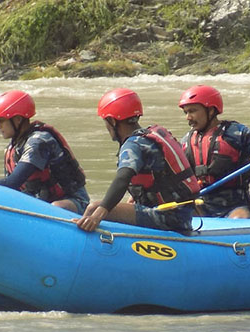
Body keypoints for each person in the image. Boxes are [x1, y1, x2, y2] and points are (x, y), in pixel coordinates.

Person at [75, 88, 201, 234]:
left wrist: (98, 215)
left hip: (167, 217)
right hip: (182, 214)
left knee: (93, 209)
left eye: (106, 121)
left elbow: (122, 178)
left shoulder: (133, 145)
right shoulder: (152, 135)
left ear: (112, 120)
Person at [177, 84, 250, 218]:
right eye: (186, 112)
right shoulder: (186, 141)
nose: (188, 117)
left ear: (210, 110)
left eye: (192, 111)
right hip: (201, 205)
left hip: (234, 206)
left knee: (240, 218)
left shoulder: (236, 133)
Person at [0, 90, 89, 213]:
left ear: (18, 119)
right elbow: (11, 190)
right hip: (40, 201)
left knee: (56, 207)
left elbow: (12, 182)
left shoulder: (38, 142)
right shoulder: (14, 147)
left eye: (2, 120)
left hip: (71, 200)